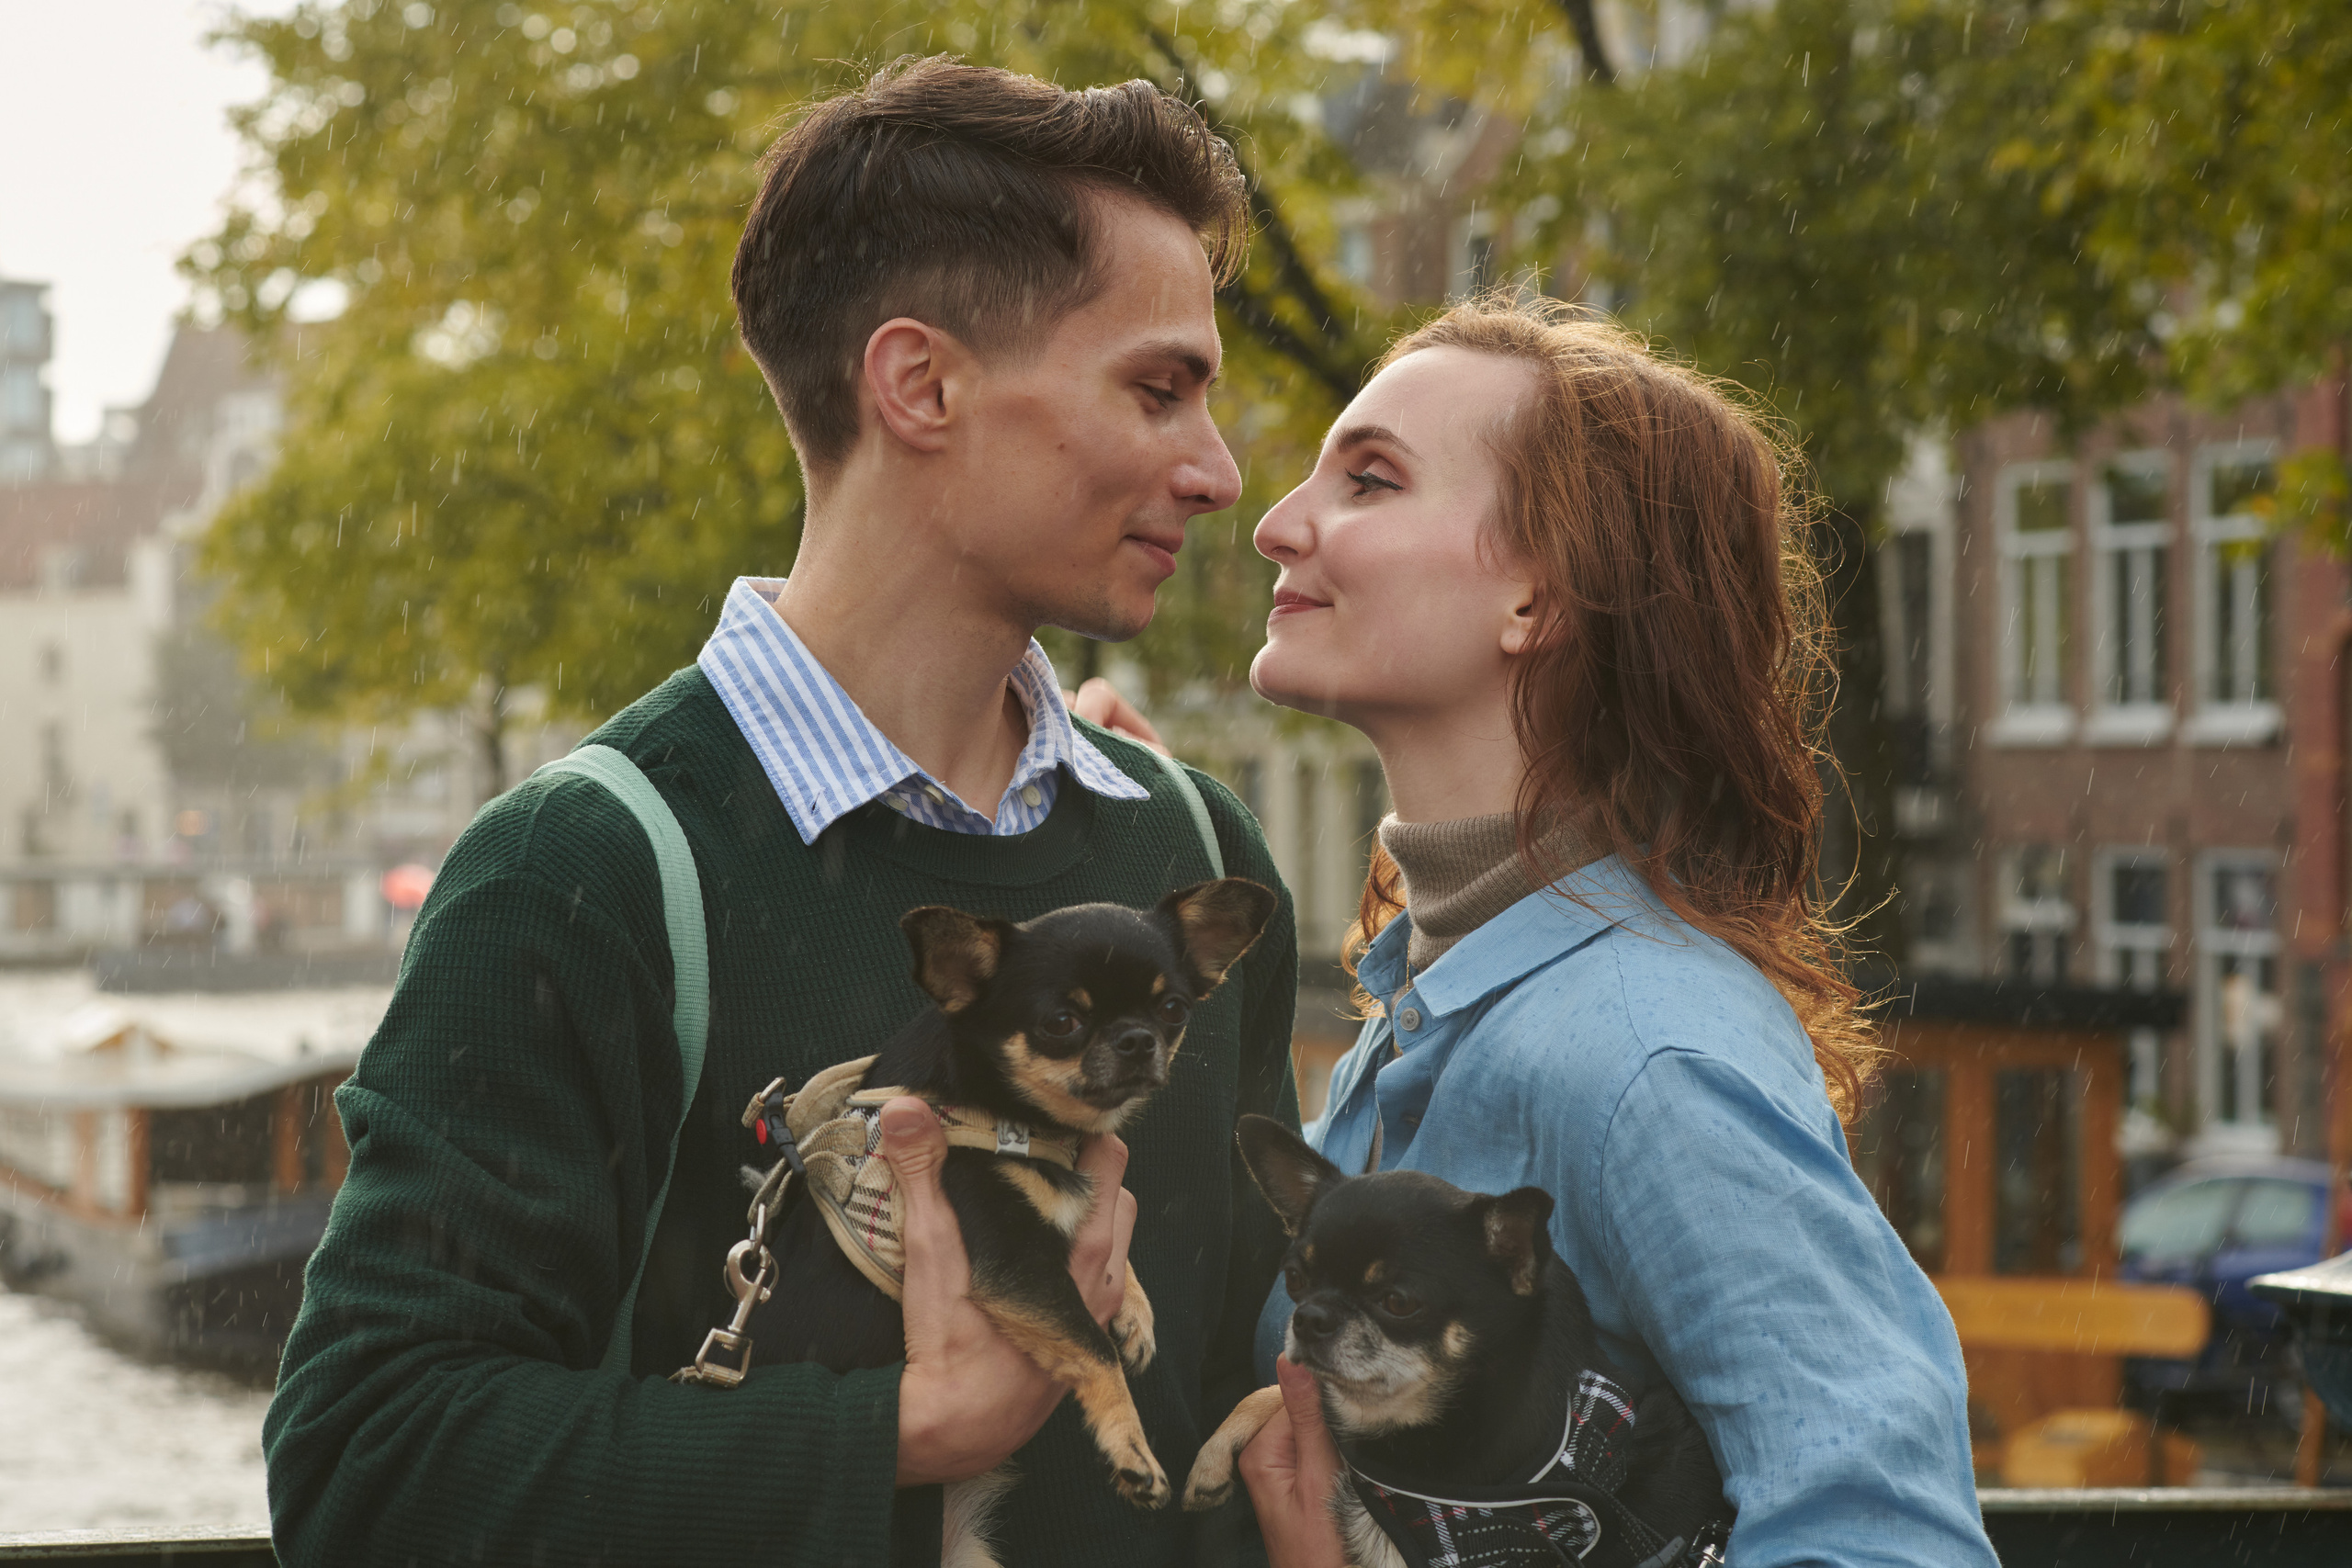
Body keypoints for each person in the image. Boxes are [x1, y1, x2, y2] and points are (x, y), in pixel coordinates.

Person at [263, 59, 1301, 1567]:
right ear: (920, 384)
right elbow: (369, 1462)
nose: (1217, 473)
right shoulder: (589, 873)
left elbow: (1231, 1405)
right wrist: (902, 1427)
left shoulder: (1196, 856)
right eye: (1159, 389)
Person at [1231, 296, 1999, 1567]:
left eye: (1369, 480)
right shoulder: (1441, 993)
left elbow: (1888, 1541)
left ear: (1537, 594)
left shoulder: (1648, 1054)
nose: (1278, 522)